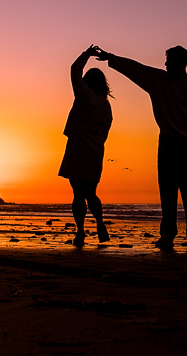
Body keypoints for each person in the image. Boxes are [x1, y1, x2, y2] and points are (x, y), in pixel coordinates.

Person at [93, 45, 187, 251]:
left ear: (181, 62)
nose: (165, 64)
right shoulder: (158, 80)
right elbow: (135, 69)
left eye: (169, 60)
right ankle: (167, 234)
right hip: (167, 143)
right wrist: (110, 58)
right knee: (167, 193)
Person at [58, 45, 113, 246]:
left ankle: (80, 231)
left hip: (78, 150)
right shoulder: (106, 106)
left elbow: (74, 70)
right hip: (95, 151)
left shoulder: (83, 96)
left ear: (87, 82)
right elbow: (105, 133)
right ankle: (100, 223)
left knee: (78, 194)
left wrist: (86, 54)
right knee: (92, 193)